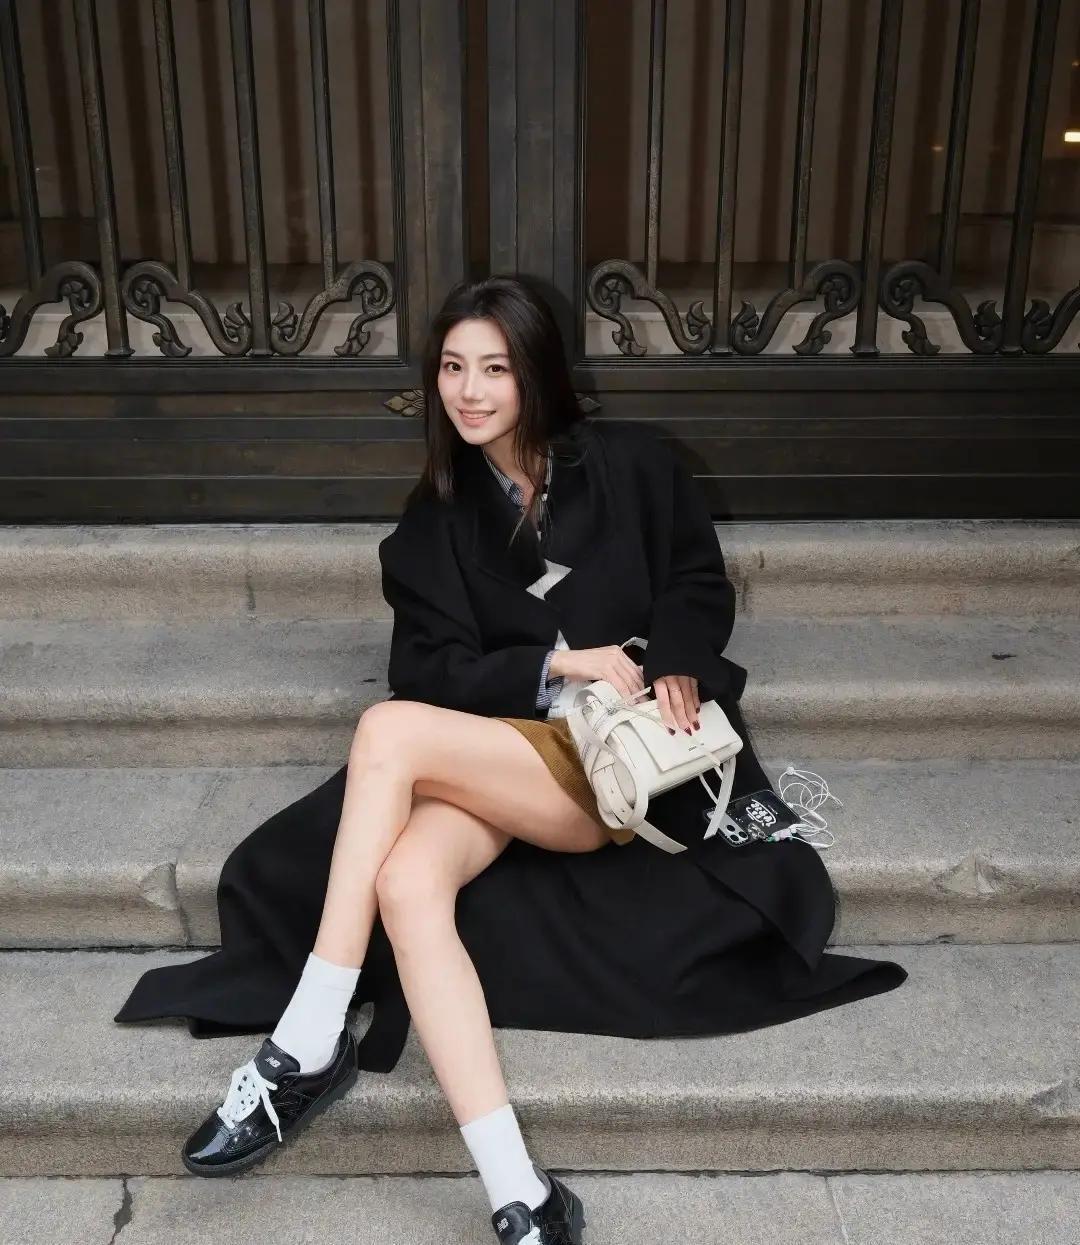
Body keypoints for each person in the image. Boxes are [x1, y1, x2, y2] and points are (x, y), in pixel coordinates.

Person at [115, 274, 906, 1245]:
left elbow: (696, 580)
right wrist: (556, 664)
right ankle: (520, 1194)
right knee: (406, 882)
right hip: (504, 745)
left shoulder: (634, 464)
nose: (470, 390)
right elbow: (425, 668)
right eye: (453, 367)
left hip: (607, 763)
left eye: (494, 368)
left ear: (536, 372)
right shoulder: (435, 518)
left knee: (385, 732)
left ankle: (306, 1039)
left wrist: (678, 662)